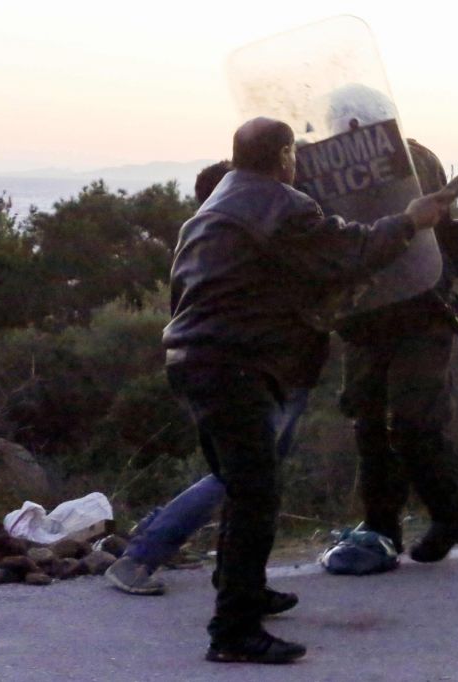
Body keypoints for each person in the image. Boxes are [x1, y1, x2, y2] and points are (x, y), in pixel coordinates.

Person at [163, 116, 449, 664]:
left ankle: (242, 587)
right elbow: (353, 250)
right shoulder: (280, 205)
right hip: (234, 365)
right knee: (255, 494)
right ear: (286, 155)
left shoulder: (215, 206)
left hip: (190, 360)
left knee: (240, 482)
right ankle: (234, 631)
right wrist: (410, 221)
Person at [105, 160, 314, 599]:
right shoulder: (250, 241)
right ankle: (143, 554)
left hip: (239, 366)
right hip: (268, 367)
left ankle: (238, 581)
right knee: (245, 474)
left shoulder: (203, 243)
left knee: (247, 476)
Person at [336, 137, 458, 564]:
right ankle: (381, 526)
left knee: (415, 419)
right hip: (365, 315)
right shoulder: (323, 164)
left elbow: (447, 226)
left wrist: (442, 281)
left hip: (420, 310)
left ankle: (449, 517)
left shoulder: (414, 157)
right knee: (368, 420)